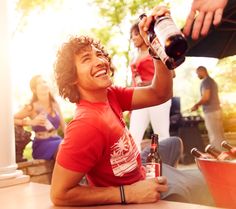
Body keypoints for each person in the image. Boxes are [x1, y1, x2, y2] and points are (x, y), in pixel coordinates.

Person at [50, 6, 213, 207]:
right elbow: (59, 194)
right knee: (212, 180)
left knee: (173, 142)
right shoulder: (85, 125)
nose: (100, 61)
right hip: (138, 191)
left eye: (99, 54)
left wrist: (155, 45)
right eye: (86, 59)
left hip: (143, 169)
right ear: (72, 78)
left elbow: (160, 93)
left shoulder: (110, 95)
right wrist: (127, 193)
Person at [129, 21, 173, 151]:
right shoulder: (134, 57)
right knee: (132, 136)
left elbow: (171, 72)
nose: (134, 38)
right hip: (141, 98)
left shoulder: (156, 50)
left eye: (136, 34)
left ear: (144, 34)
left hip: (158, 96)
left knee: (162, 134)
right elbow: (135, 81)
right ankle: (134, 170)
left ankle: (167, 167)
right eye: (132, 35)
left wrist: (149, 83)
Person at [14, 75, 65, 160]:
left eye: (44, 82)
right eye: (39, 83)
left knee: (70, 147)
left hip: (57, 140)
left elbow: (63, 126)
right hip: (42, 144)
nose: (43, 84)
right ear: (34, 89)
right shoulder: (31, 107)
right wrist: (31, 122)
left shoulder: (55, 104)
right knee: (62, 149)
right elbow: (10, 119)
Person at [191, 66, 224, 150]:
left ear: (202, 71)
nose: (197, 75)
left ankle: (218, 156)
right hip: (217, 110)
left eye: (197, 73)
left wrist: (196, 105)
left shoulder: (206, 81)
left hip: (211, 111)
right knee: (219, 134)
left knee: (214, 135)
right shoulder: (211, 81)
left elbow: (206, 97)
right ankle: (224, 155)